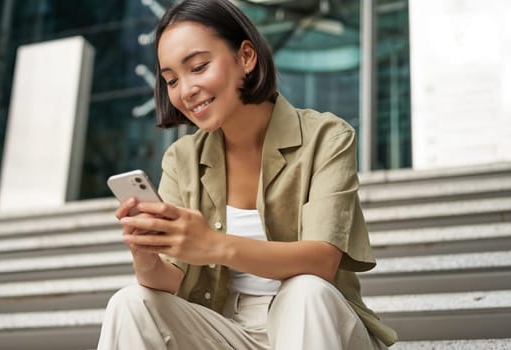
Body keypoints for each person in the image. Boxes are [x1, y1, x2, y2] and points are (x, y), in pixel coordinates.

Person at [97, 0, 397, 349]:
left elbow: (322, 262)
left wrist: (215, 245)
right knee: (130, 302)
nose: (185, 90)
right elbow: (168, 280)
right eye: (171, 80)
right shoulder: (181, 159)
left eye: (198, 67)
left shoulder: (326, 137)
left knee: (305, 290)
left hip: (318, 324)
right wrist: (145, 252)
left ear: (246, 57)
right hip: (228, 328)